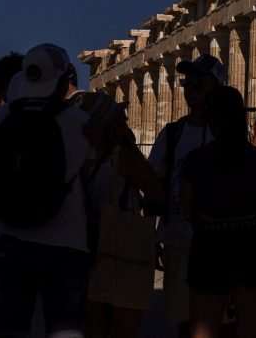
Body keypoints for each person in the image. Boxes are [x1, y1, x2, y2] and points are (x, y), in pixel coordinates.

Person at [0, 44, 92, 337]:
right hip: (66, 241)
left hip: (9, 238)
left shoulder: (2, 119)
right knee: (65, 330)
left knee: (9, 329)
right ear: (62, 81)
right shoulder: (79, 122)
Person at [180, 86, 256, 338]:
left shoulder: (195, 160)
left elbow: (186, 209)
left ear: (211, 117)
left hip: (210, 240)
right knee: (251, 329)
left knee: (204, 328)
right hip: (249, 238)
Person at [147, 53, 226, 335]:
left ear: (216, 89)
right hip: (178, 239)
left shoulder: (227, 135)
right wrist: (154, 235)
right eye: (187, 84)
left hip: (218, 242)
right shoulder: (172, 133)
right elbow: (155, 183)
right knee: (185, 321)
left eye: (198, 85)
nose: (190, 91)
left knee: (220, 321)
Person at [78, 92, 163, 338]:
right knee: (123, 327)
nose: (127, 120)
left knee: (95, 326)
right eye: (121, 118)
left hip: (88, 243)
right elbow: (156, 191)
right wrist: (130, 147)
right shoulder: (121, 157)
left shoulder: (77, 156)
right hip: (122, 244)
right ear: (111, 124)